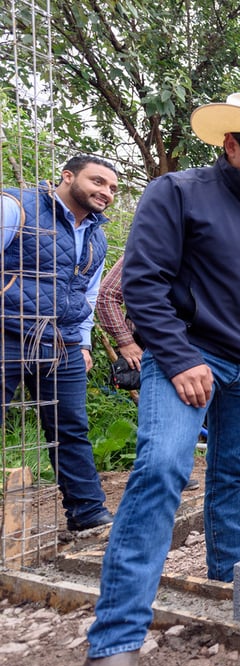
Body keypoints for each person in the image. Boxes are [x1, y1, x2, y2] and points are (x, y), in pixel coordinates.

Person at [81, 92, 240, 666]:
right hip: (186, 359)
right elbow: (143, 282)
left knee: (233, 476)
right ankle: (115, 642)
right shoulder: (178, 193)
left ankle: (226, 584)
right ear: (230, 145)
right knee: (162, 468)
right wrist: (181, 356)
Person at [1, 155, 119, 532]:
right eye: (98, 182)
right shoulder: (16, 206)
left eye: (113, 188)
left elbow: (89, 294)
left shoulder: (97, 238)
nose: (106, 192)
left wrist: (83, 343)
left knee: (71, 428)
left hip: (63, 344)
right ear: (67, 176)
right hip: (8, 332)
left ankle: (87, 515)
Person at [96, 255, 200, 490]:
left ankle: (174, 472)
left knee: (185, 413)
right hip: (153, 347)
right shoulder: (148, 246)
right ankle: (151, 478)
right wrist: (125, 341)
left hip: (192, 350)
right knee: (158, 417)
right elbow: (107, 296)